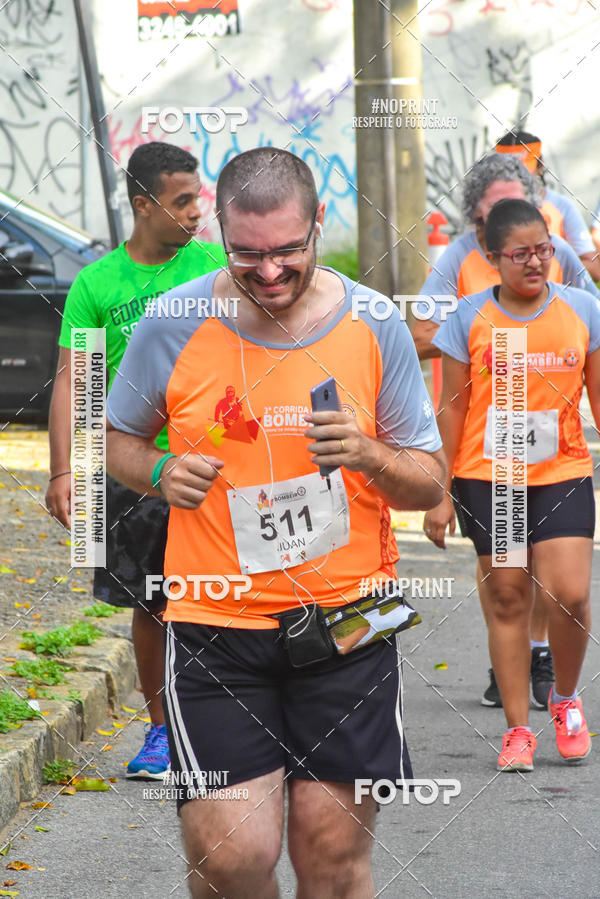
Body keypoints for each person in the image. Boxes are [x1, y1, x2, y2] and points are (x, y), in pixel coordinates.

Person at [105, 146, 445, 898]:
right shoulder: (176, 320)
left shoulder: (373, 322)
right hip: (215, 629)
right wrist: (159, 471)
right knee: (230, 855)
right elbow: (116, 440)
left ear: (318, 223)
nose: (268, 272)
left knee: (329, 854)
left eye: (288, 251)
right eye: (246, 254)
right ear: (219, 233)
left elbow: (429, 481)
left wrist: (367, 453)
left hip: (349, 625)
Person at [45, 141, 226, 779]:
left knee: (226, 600)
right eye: (183, 201)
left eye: (199, 197)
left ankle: (229, 724)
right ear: (143, 205)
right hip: (136, 469)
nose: (198, 211)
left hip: (219, 466)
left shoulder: (215, 264)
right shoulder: (99, 283)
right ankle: (159, 733)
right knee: (150, 603)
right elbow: (76, 379)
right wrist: (65, 471)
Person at [413, 153, 600, 709]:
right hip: (494, 476)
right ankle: (518, 723)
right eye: (520, 254)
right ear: (489, 253)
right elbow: (452, 407)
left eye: (543, 249)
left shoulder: (579, 303)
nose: (537, 261)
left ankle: (563, 690)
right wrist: (441, 492)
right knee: (510, 597)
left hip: (561, 468)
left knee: (570, 592)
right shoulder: (464, 302)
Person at [495, 130, 600, 280]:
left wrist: (549, 268)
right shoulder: (487, 210)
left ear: (540, 166)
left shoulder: (561, 207)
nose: (515, 178)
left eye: (523, 171)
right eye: (507, 171)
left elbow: (595, 269)